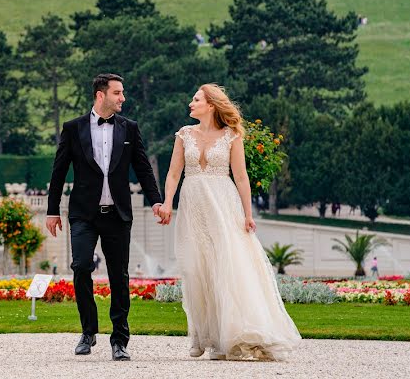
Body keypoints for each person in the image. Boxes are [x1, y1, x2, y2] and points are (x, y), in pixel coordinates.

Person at [160, 83, 301, 361]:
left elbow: (242, 178)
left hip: (223, 205)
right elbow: (174, 174)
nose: (191, 102)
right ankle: (203, 335)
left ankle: (231, 336)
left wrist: (248, 214)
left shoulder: (231, 136)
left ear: (210, 105)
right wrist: (167, 202)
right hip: (192, 206)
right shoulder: (184, 135)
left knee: (224, 266)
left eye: (196, 99)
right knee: (195, 267)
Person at [45, 73, 165, 361]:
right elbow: (59, 170)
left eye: (122, 93)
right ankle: (88, 332)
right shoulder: (73, 128)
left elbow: (143, 168)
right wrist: (51, 210)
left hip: (118, 214)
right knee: (81, 266)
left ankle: (119, 340)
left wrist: (157, 201)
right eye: (117, 93)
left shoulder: (129, 128)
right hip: (83, 214)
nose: (122, 98)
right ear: (101, 95)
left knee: (119, 276)